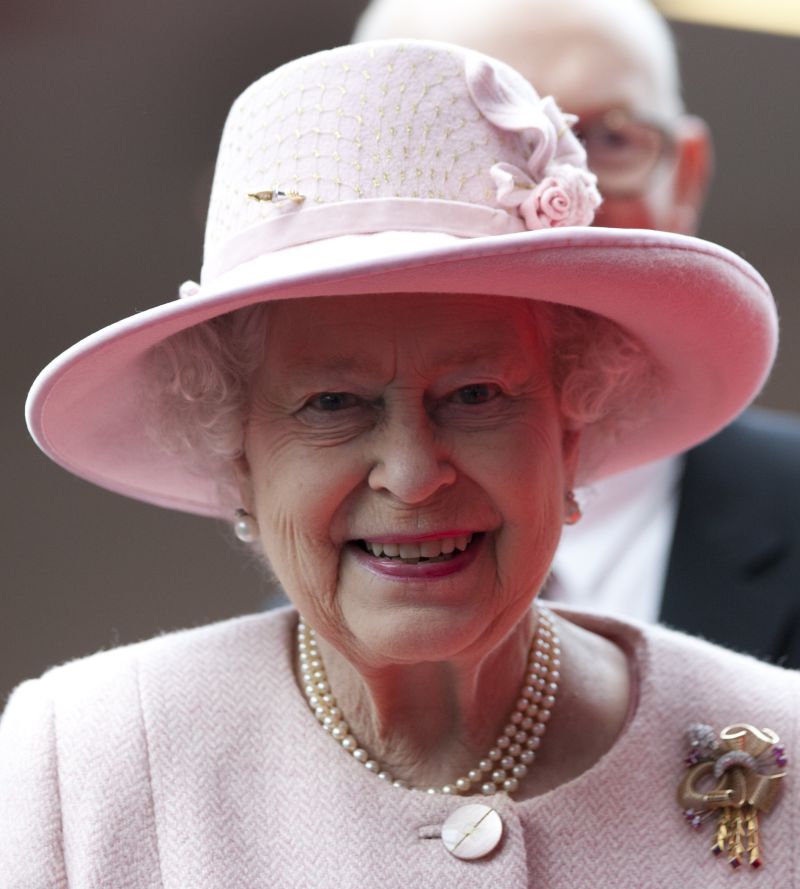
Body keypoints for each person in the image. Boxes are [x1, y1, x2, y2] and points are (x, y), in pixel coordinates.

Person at [1, 40, 796, 887]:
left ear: (569, 432)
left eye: (478, 394)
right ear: (240, 457)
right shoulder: (82, 763)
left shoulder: (778, 741)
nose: (413, 474)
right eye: (332, 404)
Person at [353, 0, 800, 667]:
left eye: (607, 139)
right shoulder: (303, 630)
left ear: (685, 174)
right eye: (480, 142)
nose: (554, 199)